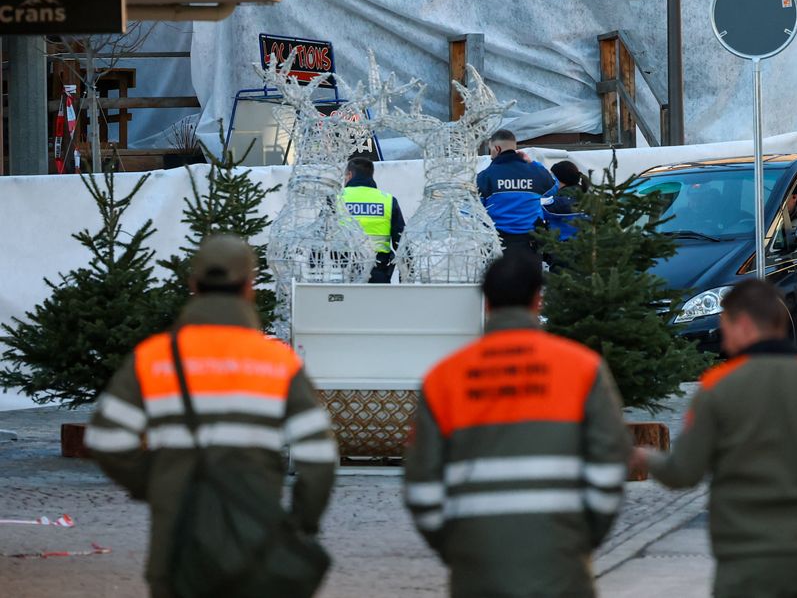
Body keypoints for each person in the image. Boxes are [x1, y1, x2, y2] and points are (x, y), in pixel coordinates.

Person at [85, 234, 338, 598]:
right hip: (258, 547)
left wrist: (155, 484)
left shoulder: (155, 357)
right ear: (249, 287)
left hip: (176, 551)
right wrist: (301, 523)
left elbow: (107, 439)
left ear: (193, 285)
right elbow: (319, 459)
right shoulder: (277, 363)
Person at [634, 279, 797, 598]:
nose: (724, 340)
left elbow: (683, 472)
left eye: (725, 326)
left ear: (743, 324)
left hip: (745, 563)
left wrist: (645, 456)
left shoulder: (717, 389)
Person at [404, 251, 631, 598]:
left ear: (486, 303)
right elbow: (610, 460)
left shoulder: (443, 379)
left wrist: (455, 549)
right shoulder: (582, 368)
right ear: (538, 299)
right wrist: (586, 537)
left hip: (475, 565)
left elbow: (422, 484)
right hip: (561, 559)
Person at [476, 128, 555, 264]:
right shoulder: (534, 172)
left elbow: (476, 209)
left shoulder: (485, 176)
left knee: (500, 283)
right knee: (529, 283)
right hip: (531, 242)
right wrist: (532, 163)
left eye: (491, 150)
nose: (490, 155)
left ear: (497, 148)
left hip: (498, 242)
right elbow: (553, 188)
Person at [342, 153, 405, 283]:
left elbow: (322, 237)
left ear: (349, 175)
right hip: (378, 272)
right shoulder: (388, 200)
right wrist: (404, 280)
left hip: (344, 271)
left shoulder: (337, 199)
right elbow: (402, 243)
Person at [543, 159, 589, 242]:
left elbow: (534, 208)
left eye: (552, 177)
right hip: (586, 248)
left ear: (559, 179)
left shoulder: (560, 202)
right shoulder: (587, 197)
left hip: (562, 249)